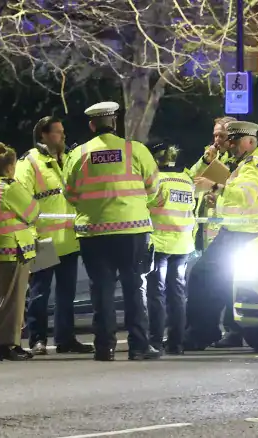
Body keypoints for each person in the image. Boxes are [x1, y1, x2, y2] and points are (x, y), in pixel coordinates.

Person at [64, 101, 162, 361]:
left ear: (92, 125)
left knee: (102, 290)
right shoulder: (136, 151)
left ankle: (104, 347)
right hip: (133, 231)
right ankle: (139, 346)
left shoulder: (78, 155)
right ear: (115, 123)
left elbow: (70, 194)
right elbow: (155, 191)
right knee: (133, 288)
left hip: (94, 233)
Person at [188, 121, 258, 350]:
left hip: (242, 234)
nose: (231, 146)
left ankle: (201, 333)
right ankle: (222, 332)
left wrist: (215, 188)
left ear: (250, 141)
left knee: (202, 277)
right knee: (225, 282)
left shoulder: (253, 165)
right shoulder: (256, 163)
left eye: (235, 141)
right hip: (247, 233)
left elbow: (245, 197)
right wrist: (218, 196)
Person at [16, 116, 94, 356]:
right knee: (39, 294)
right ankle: (37, 340)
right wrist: (29, 236)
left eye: (62, 131)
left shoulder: (68, 158)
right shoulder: (29, 162)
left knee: (66, 295)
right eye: (57, 132)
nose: (63, 136)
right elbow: (21, 199)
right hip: (44, 238)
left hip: (69, 238)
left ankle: (65, 339)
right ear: (43, 135)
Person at [0, 142, 41, 361]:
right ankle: (7, 346)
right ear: (9, 167)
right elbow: (33, 211)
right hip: (13, 248)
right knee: (13, 301)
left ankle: (5, 346)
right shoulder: (9, 186)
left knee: (3, 299)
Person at [145, 143, 196, 355]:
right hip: (182, 244)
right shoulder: (186, 180)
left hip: (160, 243)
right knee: (177, 294)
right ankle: (176, 343)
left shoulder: (157, 180)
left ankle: (155, 341)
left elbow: (147, 203)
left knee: (156, 294)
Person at [190, 116, 237, 252]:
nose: (217, 140)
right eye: (215, 136)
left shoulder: (239, 161)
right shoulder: (211, 155)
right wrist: (205, 161)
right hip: (204, 224)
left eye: (222, 136)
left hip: (225, 228)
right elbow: (191, 179)